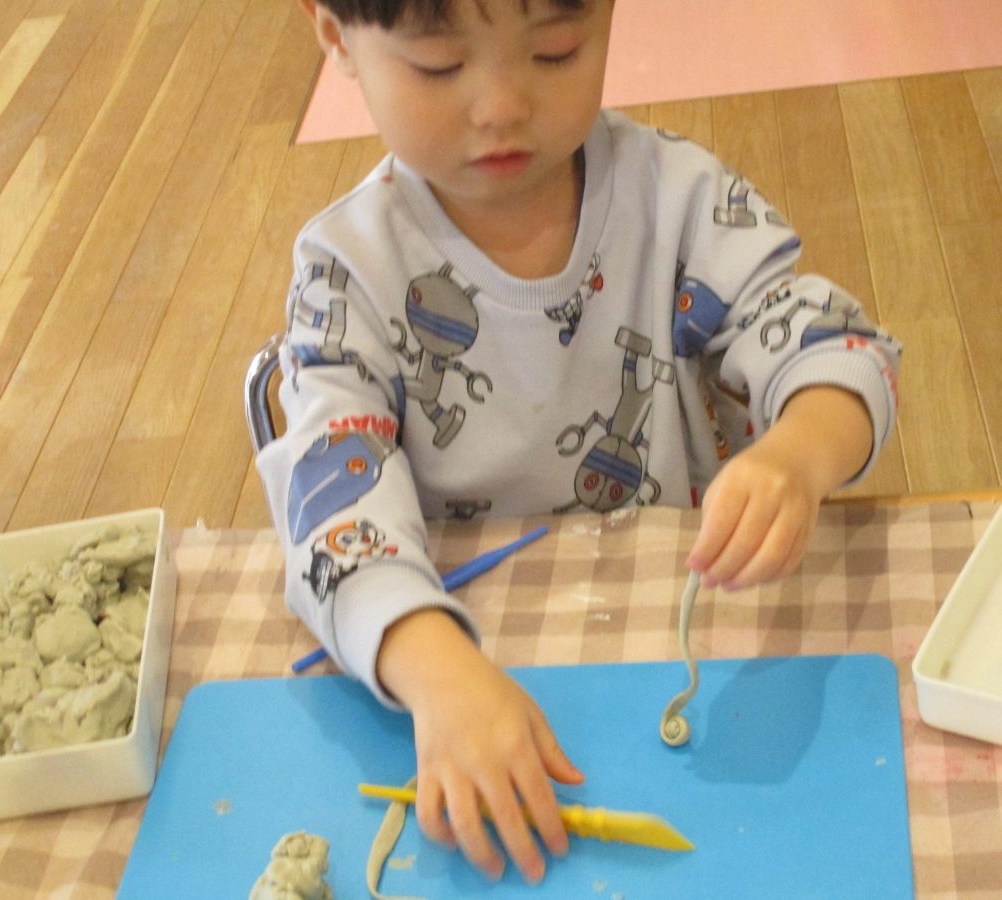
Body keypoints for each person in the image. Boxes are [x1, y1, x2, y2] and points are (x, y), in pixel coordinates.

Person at [260, 0, 901, 885]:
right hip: (456, 650)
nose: (502, 107)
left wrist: (799, 453)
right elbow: (331, 507)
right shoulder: (348, 272)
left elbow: (838, 346)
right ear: (336, 36)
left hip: (669, 641)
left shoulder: (679, 201)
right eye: (440, 66)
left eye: (556, 51)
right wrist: (434, 669)